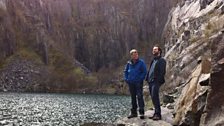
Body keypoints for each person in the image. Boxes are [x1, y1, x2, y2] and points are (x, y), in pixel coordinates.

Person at [124, 49, 147, 119]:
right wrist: (126, 79)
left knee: (139, 96)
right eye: (134, 54)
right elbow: (125, 72)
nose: (136, 55)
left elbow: (144, 72)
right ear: (131, 56)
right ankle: (134, 113)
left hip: (138, 83)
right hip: (131, 83)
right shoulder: (129, 63)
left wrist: (140, 79)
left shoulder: (141, 62)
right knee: (133, 98)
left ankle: (141, 112)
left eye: (136, 54)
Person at [146, 45, 166, 120]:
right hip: (150, 81)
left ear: (159, 51)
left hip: (156, 81)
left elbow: (162, 72)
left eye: (155, 49)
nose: (153, 51)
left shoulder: (162, 60)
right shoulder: (153, 60)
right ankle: (155, 113)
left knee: (155, 96)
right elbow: (150, 70)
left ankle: (158, 114)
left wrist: (158, 80)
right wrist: (147, 78)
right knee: (153, 97)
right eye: (153, 50)